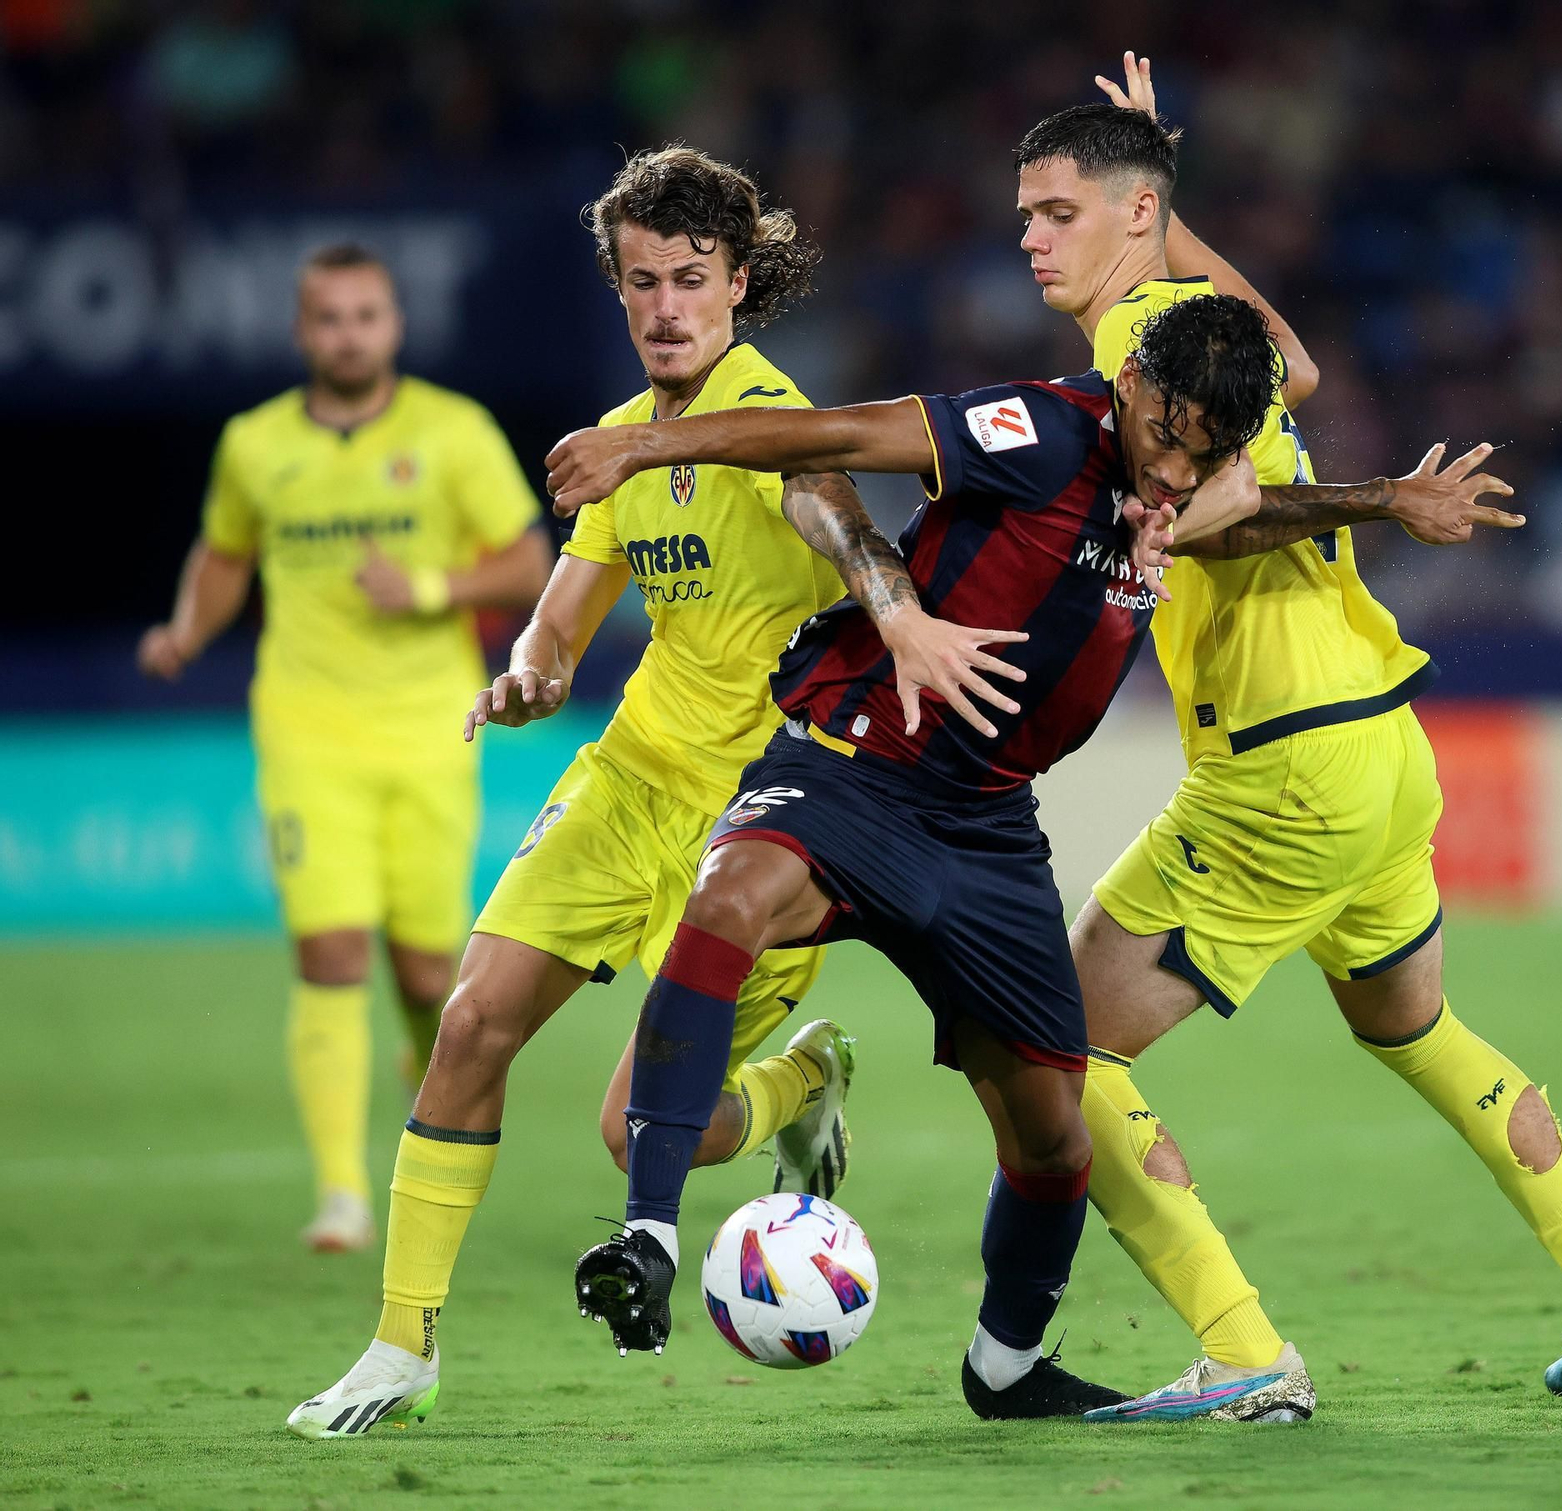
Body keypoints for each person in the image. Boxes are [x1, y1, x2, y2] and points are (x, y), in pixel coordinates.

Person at [1018, 61, 1562, 1420]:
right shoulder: (1173, 315)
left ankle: (1244, 1348)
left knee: (1053, 1046)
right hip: (1377, 743)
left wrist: (1172, 526)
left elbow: (1251, 487)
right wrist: (1174, 211)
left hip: (1281, 759)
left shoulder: (1132, 336)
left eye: (1055, 210)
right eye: (1024, 213)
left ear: (1130, 217)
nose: (1029, 235)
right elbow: (1298, 366)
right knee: (1419, 1026)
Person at [545, 293, 1273, 1418]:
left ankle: (1005, 1365)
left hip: (987, 826)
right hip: (854, 762)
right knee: (729, 896)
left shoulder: (1173, 486)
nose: (1176, 469)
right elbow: (829, 439)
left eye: (1203, 451)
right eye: (1165, 434)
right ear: (1128, 383)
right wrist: (639, 444)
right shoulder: (1036, 431)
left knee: (1053, 1143)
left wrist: (1380, 499)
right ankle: (645, 1237)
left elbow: (1254, 492)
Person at [285, 148, 883, 1439]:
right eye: (640, 283)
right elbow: (557, 630)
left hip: (760, 832)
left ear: (738, 281)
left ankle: (802, 1082)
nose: (665, 306)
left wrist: (887, 595)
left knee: (639, 1132)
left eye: (689, 279)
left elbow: (834, 510)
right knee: (469, 1021)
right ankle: (400, 1343)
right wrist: (524, 675)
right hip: (630, 781)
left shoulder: (771, 421)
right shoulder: (622, 443)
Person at [138, 243, 552, 1256]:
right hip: (305, 731)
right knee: (326, 952)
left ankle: (429, 1101)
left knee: (423, 976)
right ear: (301, 331)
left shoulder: (452, 432)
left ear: (394, 326)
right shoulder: (253, 444)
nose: (348, 333)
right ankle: (340, 1194)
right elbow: (225, 552)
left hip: (427, 731)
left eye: (366, 315)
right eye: (329, 317)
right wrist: (189, 629)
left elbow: (525, 558)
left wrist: (422, 589)